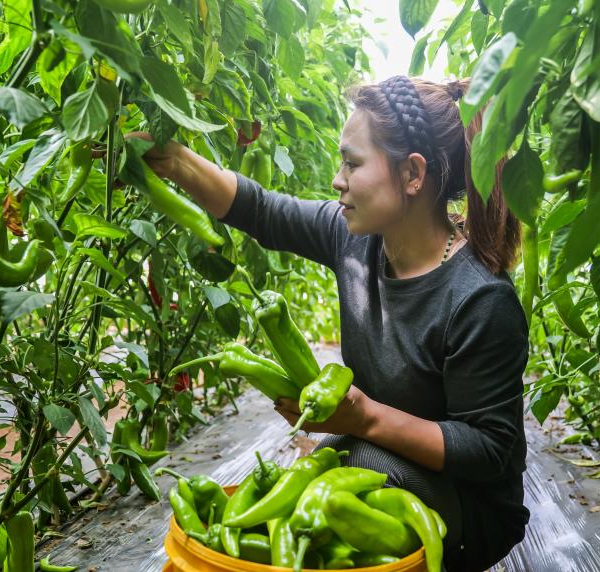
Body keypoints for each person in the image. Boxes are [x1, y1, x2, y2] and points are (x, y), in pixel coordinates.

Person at [133, 75, 529, 571]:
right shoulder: (356, 241)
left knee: (331, 486)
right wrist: (174, 161)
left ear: (412, 173)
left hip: (470, 507)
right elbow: (262, 210)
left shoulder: (480, 299)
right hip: (384, 452)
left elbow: (488, 449)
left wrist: (363, 419)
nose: (338, 179)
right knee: (315, 489)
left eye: (353, 163)